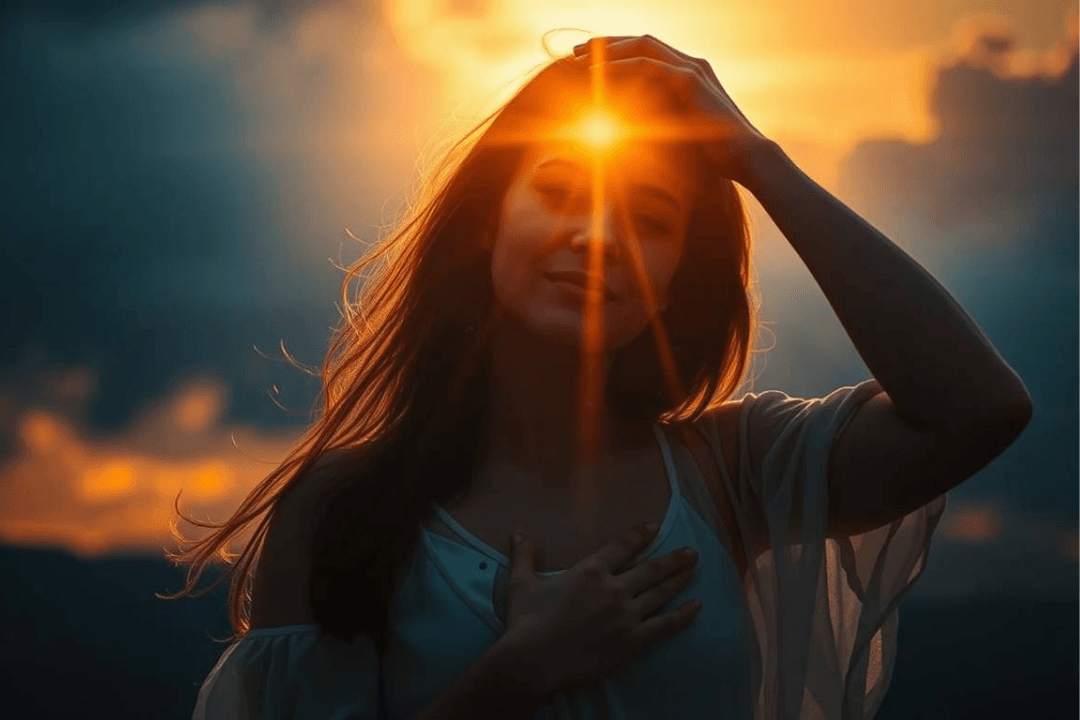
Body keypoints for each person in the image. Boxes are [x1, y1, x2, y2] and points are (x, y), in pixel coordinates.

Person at [164, 36, 1032, 719]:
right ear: (486, 225)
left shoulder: (726, 471)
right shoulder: (342, 506)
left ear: (673, 281)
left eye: (650, 218)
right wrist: (518, 676)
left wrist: (757, 158)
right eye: (561, 190)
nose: (598, 234)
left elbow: (979, 408)